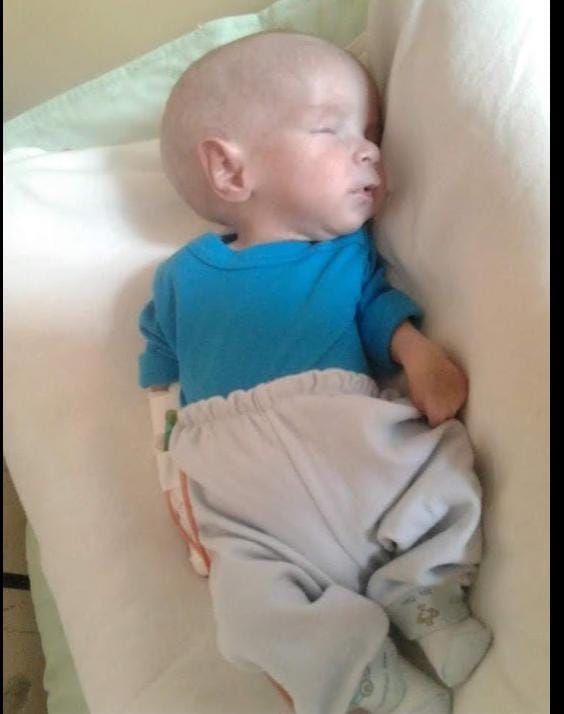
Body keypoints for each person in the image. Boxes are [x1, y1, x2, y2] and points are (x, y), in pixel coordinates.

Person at [138, 30, 491, 714]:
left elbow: (378, 312)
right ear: (230, 171)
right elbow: (161, 370)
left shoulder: (348, 255)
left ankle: (426, 596)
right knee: (247, 606)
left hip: (346, 430)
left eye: (372, 133)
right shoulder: (179, 277)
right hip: (238, 476)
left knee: (439, 468)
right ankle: (362, 675)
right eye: (332, 129)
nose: (371, 150)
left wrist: (420, 356)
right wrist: (169, 455)